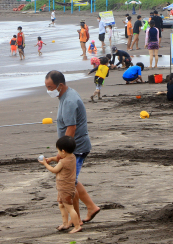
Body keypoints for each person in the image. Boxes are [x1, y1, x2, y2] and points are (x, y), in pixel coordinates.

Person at [44, 71, 100, 224]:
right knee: (72, 182)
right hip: (72, 147)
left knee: (69, 184)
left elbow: (71, 129)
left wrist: (62, 153)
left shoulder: (69, 101)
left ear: (60, 85)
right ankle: (90, 208)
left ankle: (80, 217)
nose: (48, 90)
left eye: (50, 87)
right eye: (47, 87)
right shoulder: (66, 94)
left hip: (76, 148)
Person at [39, 136, 83, 234]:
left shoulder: (63, 161)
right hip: (66, 187)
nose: (58, 153)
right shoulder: (72, 157)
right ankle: (65, 223)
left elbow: (54, 170)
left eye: (58, 151)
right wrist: (51, 159)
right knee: (61, 205)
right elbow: (59, 158)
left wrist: (46, 164)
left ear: (63, 151)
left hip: (65, 188)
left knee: (70, 208)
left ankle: (77, 226)